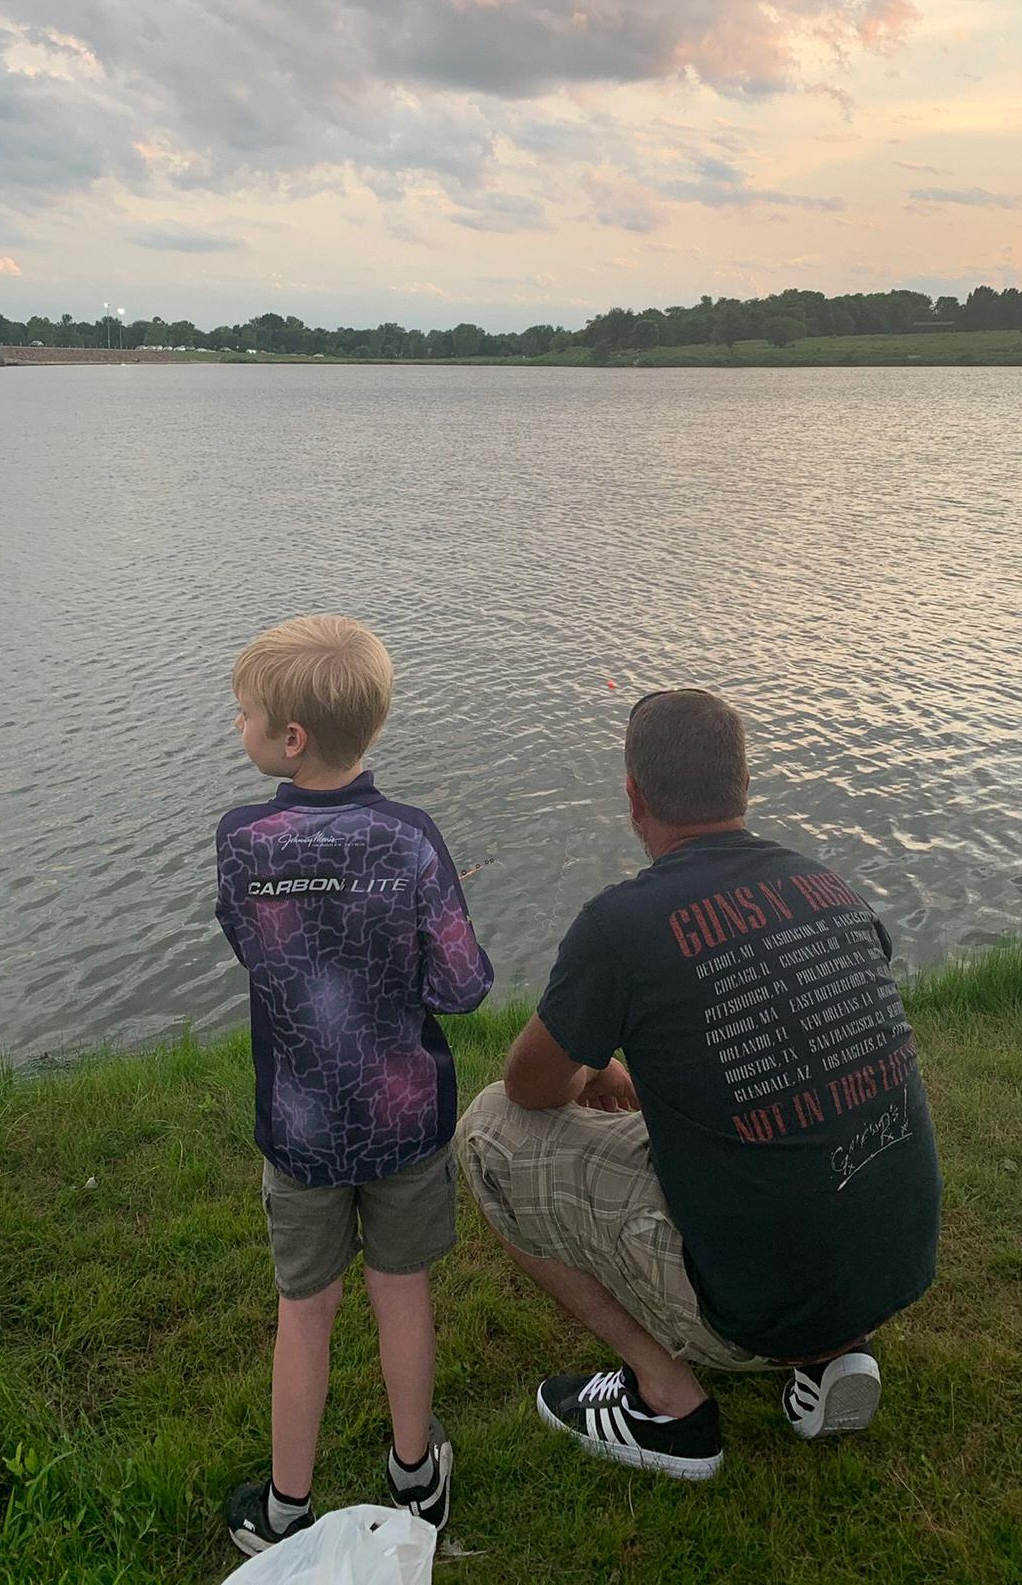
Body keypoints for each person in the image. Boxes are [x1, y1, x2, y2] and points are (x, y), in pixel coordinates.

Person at [457, 688, 941, 1480]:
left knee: (485, 1130)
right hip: (897, 1265)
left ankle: (669, 1406)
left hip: (752, 1313)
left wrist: (591, 1066)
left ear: (633, 798)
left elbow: (530, 1085)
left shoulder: (622, 924)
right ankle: (834, 1355)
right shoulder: (831, 890)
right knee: (803, 1118)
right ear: (744, 787)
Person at [216, 615, 493, 1552]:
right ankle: (416, 1480)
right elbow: (461, 985)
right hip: (405, 1124)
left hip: (299, 1129)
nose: (239, 728)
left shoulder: (244, 840)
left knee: (306, 1308)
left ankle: (285, 1509)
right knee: (400, 1290)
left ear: (290, 741)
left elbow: (254, 949)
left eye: (245, 715)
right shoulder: (411, 838)